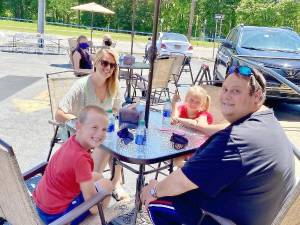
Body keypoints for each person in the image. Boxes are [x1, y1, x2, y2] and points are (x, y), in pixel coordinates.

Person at [140, 66, 295, 225]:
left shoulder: (234, 140)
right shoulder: (269, 122)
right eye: (225, 89)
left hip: (221, 220)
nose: (226, 96)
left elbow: (181, 182)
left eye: (236, 91)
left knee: (155, 199)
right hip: (255, 212)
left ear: (257, 96)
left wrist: (153, 189)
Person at [55, 48, 129, 201]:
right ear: (96, 62)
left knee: (119, 137)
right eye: (104, 63)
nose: (108, 68)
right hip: (77, 135)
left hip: (101, 134)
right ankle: (92, 187)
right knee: (106, 142)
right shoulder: (81, 85)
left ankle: (115, 182)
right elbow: (59, 114)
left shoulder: (114, 87)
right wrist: (86, 126)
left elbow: (118, 111)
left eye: (112, 65)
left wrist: (129, 113)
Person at [34, 106, 113, 225]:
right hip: (57, 218)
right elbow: (92, 205)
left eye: (104, 129)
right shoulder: (81, 160)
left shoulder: (72, 142)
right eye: (94, 127)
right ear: (79, 126)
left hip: (42, 206)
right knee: (107, 185)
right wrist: (102, 207)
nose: (100, 134)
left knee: (97, 176)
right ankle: (96, 221)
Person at [171, 86, 213, 167]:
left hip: (198, 148)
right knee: (176, 160)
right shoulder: (182, 108)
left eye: (197, 102)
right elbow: (175, 115)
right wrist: (174, 104)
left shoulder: (204, 115)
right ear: (186, 98)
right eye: (191, 100)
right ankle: (185, 169)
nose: (193, 104)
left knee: (179, 161)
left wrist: (178, 119)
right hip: (182, 144)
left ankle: (191, 170)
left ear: (202, 104)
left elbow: (195, 124)